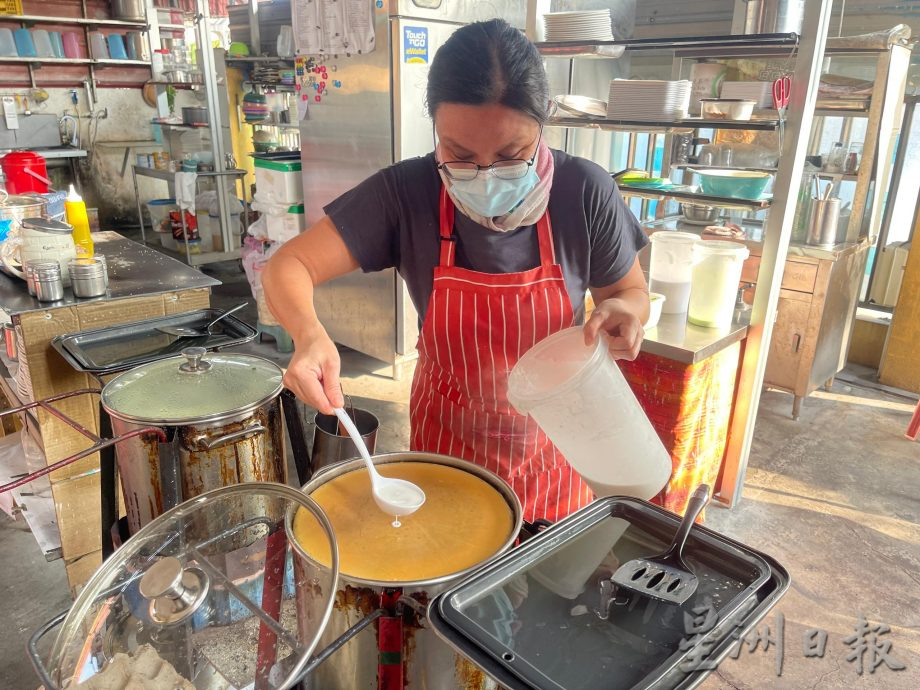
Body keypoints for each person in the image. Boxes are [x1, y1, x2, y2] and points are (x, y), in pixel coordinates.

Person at [262, 19, 650, 523]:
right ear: (434, 129)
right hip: (448, 452)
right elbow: (289, 264)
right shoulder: (407, 192)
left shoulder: (585, 192)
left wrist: (625, 309)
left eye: (512, 154)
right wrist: (309, 334)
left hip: (557, 450)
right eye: (460, 155)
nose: (485, 175)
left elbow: (630, 290)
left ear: (543, 123)